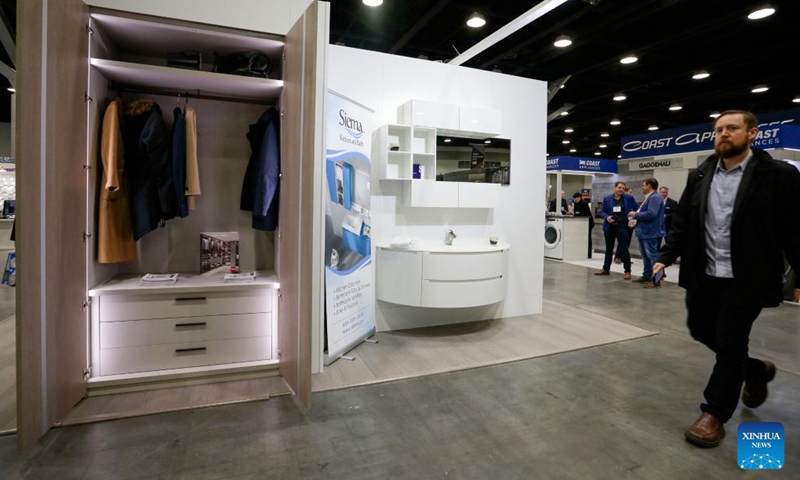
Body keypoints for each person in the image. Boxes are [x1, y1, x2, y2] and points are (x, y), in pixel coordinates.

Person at [654, 110, 800, 448]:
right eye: (718, 129)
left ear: (752, 133)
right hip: (704, 274)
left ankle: (714, 414)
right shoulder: (700, 174)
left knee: (731, 343)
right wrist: (665, 256)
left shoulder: (778, 175)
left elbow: (794, 229)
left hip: (747, 278)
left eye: (732, 128)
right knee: (700, 330)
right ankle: (756, 370)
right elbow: (684, 222)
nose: (723, 134)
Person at [595, 181, 638, 279]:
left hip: (622, 226)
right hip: (609, 226)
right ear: (615, 188)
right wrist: (606, 217)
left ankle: (627, 271)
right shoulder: (607, 198)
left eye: (623, 188)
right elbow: (602, 212)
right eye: (619, 187)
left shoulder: (629, 198)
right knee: (609, 248)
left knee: (624, 248)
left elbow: (637, 209)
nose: (621, 189)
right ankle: (606, 269)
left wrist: (633, 219)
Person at [627, 178, 665, 287]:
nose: (642, 187)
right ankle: (647, 275)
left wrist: (635, 214)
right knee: (645, 256)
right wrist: (635, 222)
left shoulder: (655, 197)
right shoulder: (649, 197)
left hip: (650, 232)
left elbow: (651, 214)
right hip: (644, 231)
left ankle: (656, 279)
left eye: (644, 185)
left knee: (652, 256)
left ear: (649, 186)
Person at [615, 186, 638, 264]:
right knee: (622, 241)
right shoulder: (620, 200)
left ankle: (624, 257)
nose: (631, 194)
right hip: (621, 223)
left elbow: (636, 208)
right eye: (629, 192)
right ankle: (618, 256)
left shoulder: (631, 200)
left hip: (630, 222)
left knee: (627, 241)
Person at [572, 192, 594, 258]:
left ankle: (588, 254)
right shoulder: (576, 204)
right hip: (581, 223)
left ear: (579, 197)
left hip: (588, 223)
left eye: (576, 198)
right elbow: (575, 212)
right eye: (574, 198)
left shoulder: (584, 203)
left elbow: (586, 214)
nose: (575, 200)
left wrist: (578, 214)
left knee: (588, 238)